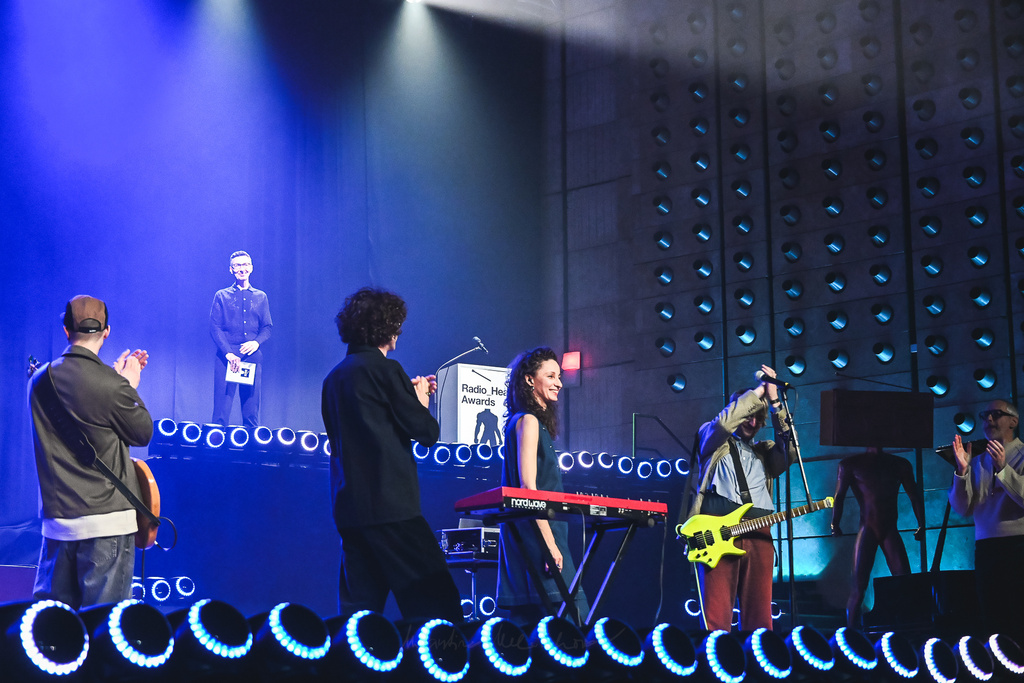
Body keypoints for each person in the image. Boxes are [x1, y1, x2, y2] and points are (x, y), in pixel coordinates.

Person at [321, 287, 461, 622]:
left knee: (358, 621)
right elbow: (426, 433)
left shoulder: (333, 379)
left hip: (350, 511)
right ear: (387, 328)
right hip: (393, 509)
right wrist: (421, 400)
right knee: (439, 610)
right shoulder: (387, 370)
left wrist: (404, 396)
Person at [28, 295, 153, 609]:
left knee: (54, 628)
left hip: (57, 527)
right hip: (107, 525)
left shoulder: (39, 381)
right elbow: (142, 432)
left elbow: (82, 399)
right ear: (106, 332)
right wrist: (127, 385)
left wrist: (116, 383)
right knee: (101, 626)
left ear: (66, 330)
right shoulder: (112, 385)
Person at [686, 364, 797, 632]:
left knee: (760, 620)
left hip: (759, 533)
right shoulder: (711, 439)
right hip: (719, 530)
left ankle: (759, 657)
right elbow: (725, 423)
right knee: (716, 618)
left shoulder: (765, 453)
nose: (752, 422)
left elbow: (791, 452)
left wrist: (774, 402)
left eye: (758, 418)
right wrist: (759, 391)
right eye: (748, 415)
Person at [497, 347, 589, 626]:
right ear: (529, 379)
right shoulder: (528, 421)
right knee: (573, 621)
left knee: (530, 622)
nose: (558, 383)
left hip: (529, 531)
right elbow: (528, 487)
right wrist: (549, 544)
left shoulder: (525, 422)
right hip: (538, 533)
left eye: (559, 376)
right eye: (550, 376)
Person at [949, 399, 1024, 641]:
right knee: (992, 617)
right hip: (986, 547)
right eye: (984, 415)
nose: (988, 419)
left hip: (1018, 545)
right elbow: (962, 508)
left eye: (996, 414)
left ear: (1013, 421)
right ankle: (998, 662)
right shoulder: (978, 461)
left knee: (1019, 616)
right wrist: (961, 472)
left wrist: (1003, 469)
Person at [830, 448, 926, 629]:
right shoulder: (850, 465)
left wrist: (922, 524)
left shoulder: (899, 464)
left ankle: (908, 628)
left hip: (888, 529)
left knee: (905, 582)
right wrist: (835, 523)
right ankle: (850, 632)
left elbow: (914, 496)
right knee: (859, 588)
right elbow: (839, 496)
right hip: (869, 529)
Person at [210, 250, 272, 427]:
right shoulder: (222, 296)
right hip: (227, 358)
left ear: (251, 267)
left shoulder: (260, 297)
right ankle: (217, 444)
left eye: (245, 264)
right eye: (237, 265)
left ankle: (251, 445)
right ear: (231, 269)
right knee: (221, 413)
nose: (242, 269)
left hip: (251, 357)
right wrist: (228, 353)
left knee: (251, 412)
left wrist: (256, 342)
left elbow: (267, 327)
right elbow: (215, 327)